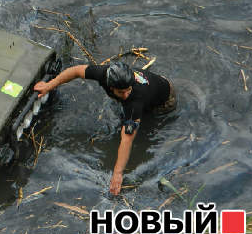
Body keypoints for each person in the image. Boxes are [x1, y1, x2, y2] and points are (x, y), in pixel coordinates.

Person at [34, 61, 176, 195]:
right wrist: (49, 85)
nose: (126, 95)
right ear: (110, 86)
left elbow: (127, 139)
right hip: (153, 84)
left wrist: (117, 174)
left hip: (164, 101)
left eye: (128, 90)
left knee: (143, 129)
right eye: (121, 92)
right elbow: (76, 71)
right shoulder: (104, 73)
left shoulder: (134, 102)